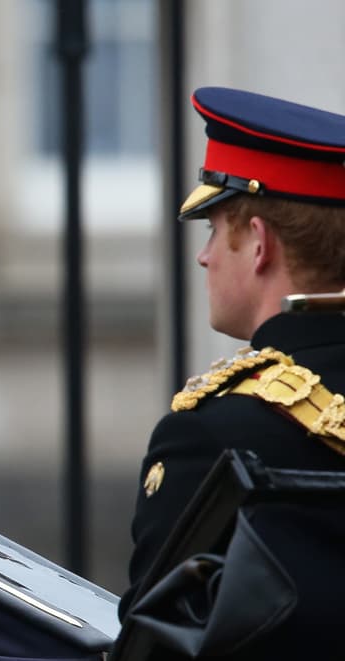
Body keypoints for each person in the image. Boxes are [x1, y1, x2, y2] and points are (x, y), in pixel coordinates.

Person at [126, 87, 345, 605]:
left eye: (214, 229)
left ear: (259, 243)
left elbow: (156, 647)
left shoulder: (212, 436)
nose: (204, 257)